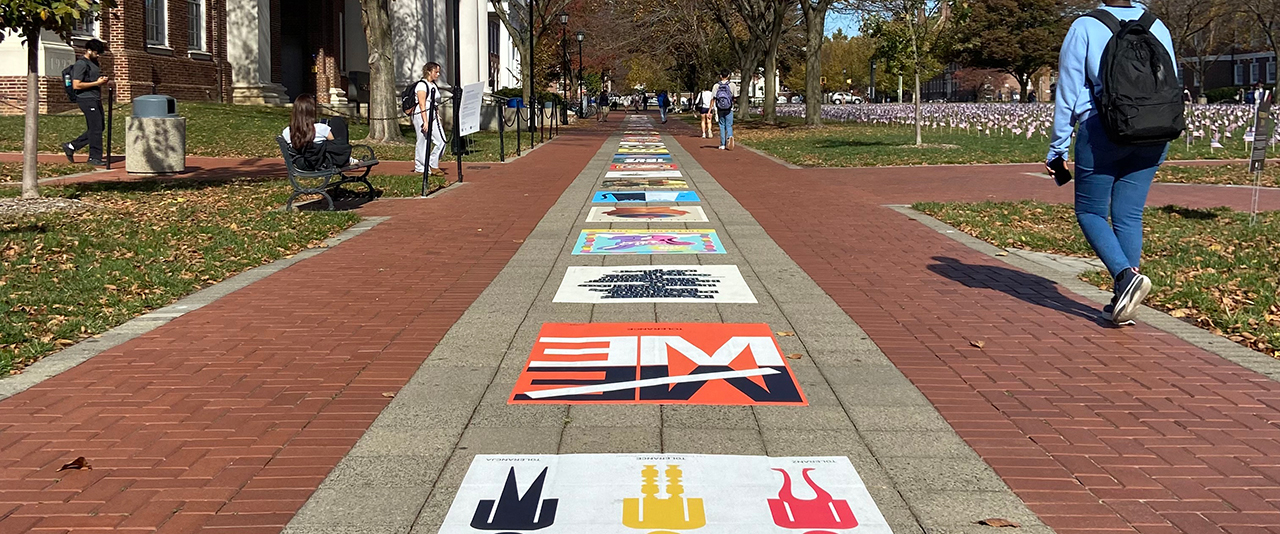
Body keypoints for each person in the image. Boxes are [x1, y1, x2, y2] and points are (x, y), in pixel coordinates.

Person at [1046, 0, 1177, 326]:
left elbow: (1068, 91)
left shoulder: (1086, 26)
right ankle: (1124, 299)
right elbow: (1172, 79)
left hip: (1103, 130)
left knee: (1090, 211)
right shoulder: (1156, 24)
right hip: (1154, 129)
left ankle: (1124, 277)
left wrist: (1058, 147)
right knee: (1129, 214)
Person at [63, 39, 110, 166]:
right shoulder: (81, 64)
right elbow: (76, 85)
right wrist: (97, 83)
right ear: (89, 50)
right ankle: (94, 157)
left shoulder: (94, 62)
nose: (99, 55)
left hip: (95, 97)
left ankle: (72, 146)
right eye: (97, 53)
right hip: (86, 99)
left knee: (100, 127)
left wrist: (101, 81)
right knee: (95, 128)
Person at [281, 94, 357, 171]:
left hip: (302, 165)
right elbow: (336, 146)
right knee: (337, 121)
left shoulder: (286, 132)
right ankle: (347, 159)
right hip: (322, 163)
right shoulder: (321, 128)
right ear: (312, 111)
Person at [413, 62, 448, 176]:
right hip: (422, 114)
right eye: (436, 72)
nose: (438, 74)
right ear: (429, 71)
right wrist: (425, 121)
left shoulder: (433, 85)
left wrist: (437, 114)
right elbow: (422, 103)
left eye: (438, 72)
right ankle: (420, 167)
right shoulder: (422, 85)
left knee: (441, 141)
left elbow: (435, 101)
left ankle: (433, 163)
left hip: (433, 114)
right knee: (423, 140)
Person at [713, 71, 738, 150]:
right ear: (729, 76)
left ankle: (722, 144)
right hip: (729, 107)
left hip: (720, 108)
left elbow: (714, 97)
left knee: (722, 125)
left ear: (720, 76)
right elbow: (735, 96)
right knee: (729, 125)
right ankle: (730, 136)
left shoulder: (716, 85)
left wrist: (712, 109)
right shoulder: (732, 85)